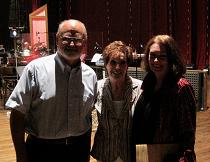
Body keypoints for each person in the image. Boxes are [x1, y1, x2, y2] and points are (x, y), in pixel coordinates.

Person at [5, 19, 97, 162]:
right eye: (66, 38)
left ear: (84, 42)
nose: (72, 44)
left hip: (78, 150)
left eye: (77, 39)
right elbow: (17, 113)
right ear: (57, 39)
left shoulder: (90, 75)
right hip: (41, 151)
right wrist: (20, 154)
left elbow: (87, 116)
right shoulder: (35, 69)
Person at [132, 35, 196, 162]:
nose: (156, 61)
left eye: (162, 57)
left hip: (169, 158)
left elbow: (188, 136)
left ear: (172, 59)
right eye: (152, 56)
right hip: (145, 155)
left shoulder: (181, 87)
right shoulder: (149, 83)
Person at [91, 41, 142, 162]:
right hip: (105, 154)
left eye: (122, 63)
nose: (117, 67)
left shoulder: (140, 88)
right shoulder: (96, 88)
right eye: (113, 62)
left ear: (127, 65)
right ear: (106, 65)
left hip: (131, 154)